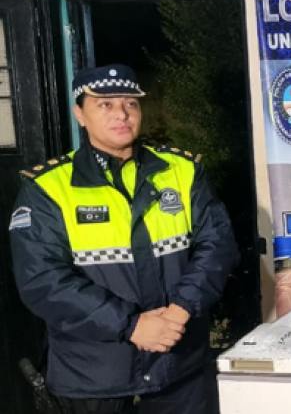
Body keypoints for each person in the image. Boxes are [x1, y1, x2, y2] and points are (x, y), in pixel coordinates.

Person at [8, 64, 240, 414]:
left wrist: (181, 308)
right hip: (92, 379)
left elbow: (217, 246)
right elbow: (43, 280)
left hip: (178, 369)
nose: (121, 114)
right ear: (79, 114)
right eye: (105, 104)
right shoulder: (48, 189)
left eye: (130, 103)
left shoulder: (181, 171)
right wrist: (131, 326)